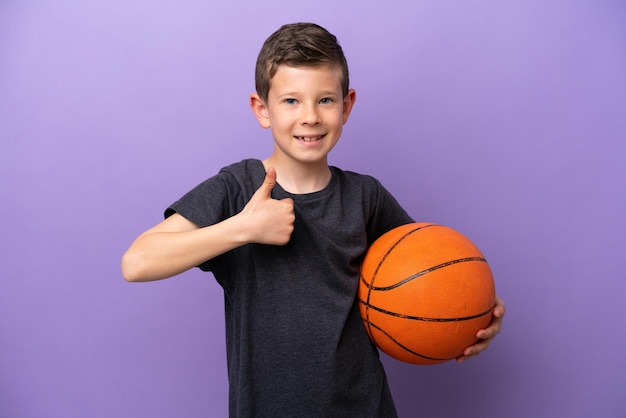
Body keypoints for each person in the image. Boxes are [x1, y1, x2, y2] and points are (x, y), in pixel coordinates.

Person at [121, 22, 505, 417]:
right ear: (261, 109)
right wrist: (244, 228)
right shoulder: (238, 190)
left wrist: (471, 316)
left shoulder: (365, 197)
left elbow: (433, 274)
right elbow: (137, 262)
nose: (310, 117)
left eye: (325, 100)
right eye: (290, 101)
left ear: (347, 105)